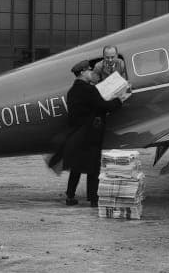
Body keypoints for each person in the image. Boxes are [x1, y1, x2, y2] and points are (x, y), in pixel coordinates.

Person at [55, 59, 130, 207]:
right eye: (90, 70)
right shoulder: (89, 90)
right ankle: (93, 199)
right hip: (90, 134)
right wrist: (120, 100)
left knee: (76, 166)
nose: (92, 73)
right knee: (93, 167)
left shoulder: (72, 91)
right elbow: (104, 106)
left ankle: (70, 196)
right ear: (83, 72)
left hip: (77, 133)